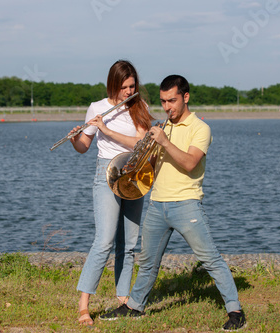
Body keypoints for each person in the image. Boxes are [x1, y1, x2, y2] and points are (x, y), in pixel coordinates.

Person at [99, 75, 247, 331]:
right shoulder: (164, 126)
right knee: (147, 262)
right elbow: (153, 164)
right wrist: (139, 161)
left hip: (186, 204)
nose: (167, 107)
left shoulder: (200, 128)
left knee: (210, 259)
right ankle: (134, 307)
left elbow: (190, 163)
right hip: (157, 204)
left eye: (172, 101)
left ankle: (235, 311)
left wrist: (164, 142)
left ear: (185, 97)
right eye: (163, 101)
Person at [69, 60, 154, 326]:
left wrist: (107, 129)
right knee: (104, 241)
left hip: (135, 172)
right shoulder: (97, 108)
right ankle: (84, 306)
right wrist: (75, 138)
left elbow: (141, 142)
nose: (129, 91)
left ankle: (123, 299)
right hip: (107, 173)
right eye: (124, 87)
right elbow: (84, 146)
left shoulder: (140, 107)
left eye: (132, 86)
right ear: (113, 85)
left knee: (128, 244)